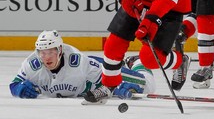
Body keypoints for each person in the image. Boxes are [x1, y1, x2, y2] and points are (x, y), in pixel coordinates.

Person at [9, 30, 155, 99]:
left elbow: (107, 80)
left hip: (96, 69)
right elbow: (14, 83)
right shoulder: (32, 65)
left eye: (50, 52)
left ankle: (136, 61)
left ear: (60, 50)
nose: (46, 57)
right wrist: (18, 89)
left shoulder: (79, 62)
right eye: (42, 52)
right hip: (84, 87)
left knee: (147, 85)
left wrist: (117, 86)